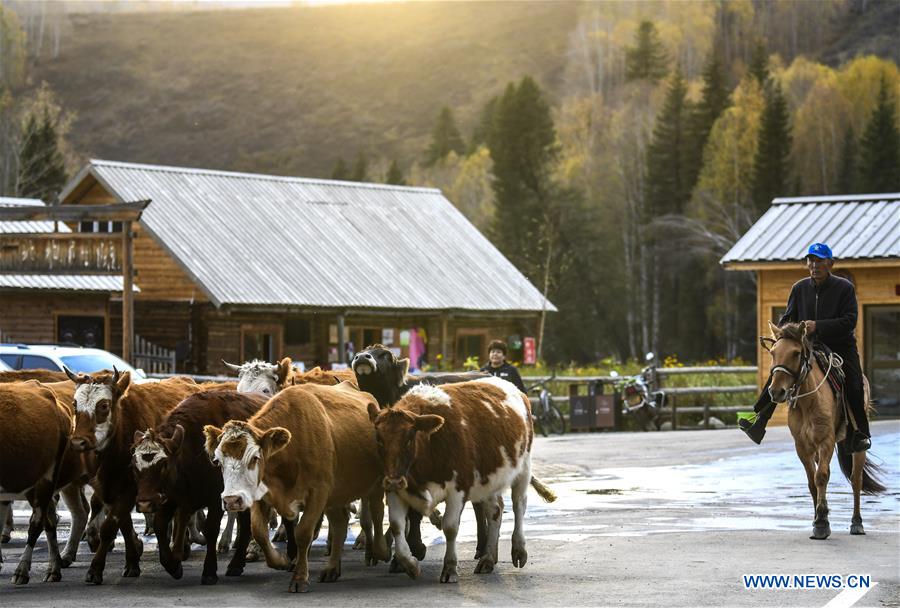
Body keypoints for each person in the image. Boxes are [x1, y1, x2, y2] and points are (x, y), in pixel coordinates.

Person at [739, 242, 871, 452]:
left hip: (840, 346)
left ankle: (860, 434)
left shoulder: (844, 287)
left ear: (830, 263)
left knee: (854, 383)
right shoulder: (799, 288)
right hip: (808, 345)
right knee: (780, 371)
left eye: (819, 261)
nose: (814, 265)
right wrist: (784, 332)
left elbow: (849, 321)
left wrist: (818, 326)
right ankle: (759, 421)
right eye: (811, 260)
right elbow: (788, 317)